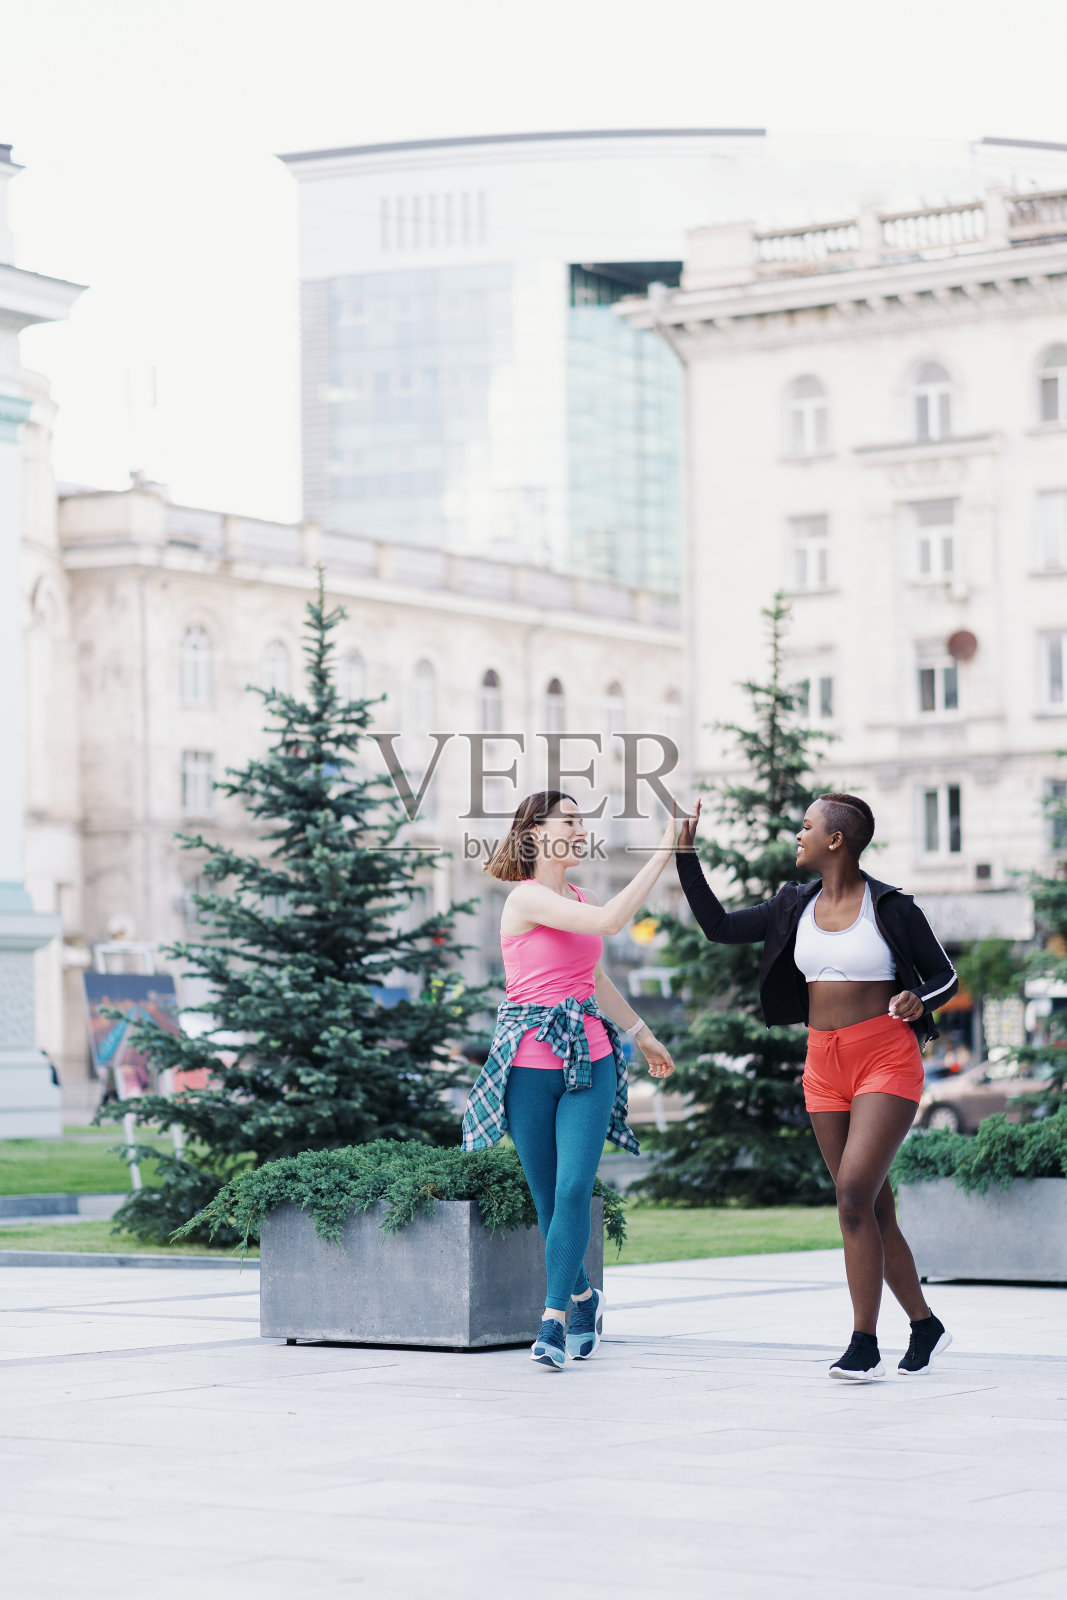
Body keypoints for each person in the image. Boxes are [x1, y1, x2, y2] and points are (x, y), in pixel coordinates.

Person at [676, 792, 957, 1382]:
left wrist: (918, 998)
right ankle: (924, 1322)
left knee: (852, 1195)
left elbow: (943, 975)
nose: (796, 835)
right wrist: (685, 851)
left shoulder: (891, 906)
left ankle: (863, 1343)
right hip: (822, 1063)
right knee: (872, 1206)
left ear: (837, 840)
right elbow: (719, 927)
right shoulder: (790, 906)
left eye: (806, 827)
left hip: (885, 1055)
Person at [462, 790, 676, 1369]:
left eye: (584, 820)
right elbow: (611, 922)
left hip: (590, 1060)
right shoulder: (525, 899)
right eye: (571, 820)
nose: (583, 829)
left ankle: (552, 1321)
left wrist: (639, 1031)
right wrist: (665, 851)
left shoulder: (577, 897)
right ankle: (584, 1298)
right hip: (528, 1068)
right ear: (535, 833)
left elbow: (594, 973)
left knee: (574, 1189)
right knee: (546, 1199)